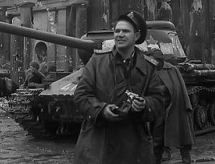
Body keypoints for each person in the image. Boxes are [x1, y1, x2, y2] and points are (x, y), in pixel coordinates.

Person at [73, 11, 164, 164]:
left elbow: (158, 101)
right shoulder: (97, 61)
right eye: (117, 31)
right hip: (98, 145)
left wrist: (143, 105)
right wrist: (101, 110)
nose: (120, 34)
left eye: (126, 31)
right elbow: (81, 95)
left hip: (134, 146)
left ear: (136, 36)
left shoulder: (148, 67)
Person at [151, 50, 194, 164]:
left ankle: (186, 157)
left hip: (174, 106)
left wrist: (187, 104)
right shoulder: (149, 71)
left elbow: (181, 87)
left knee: (183, 133)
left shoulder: (172, 69)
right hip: (157, 108)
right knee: (157, 139)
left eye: (157, 60)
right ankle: (161, 156)